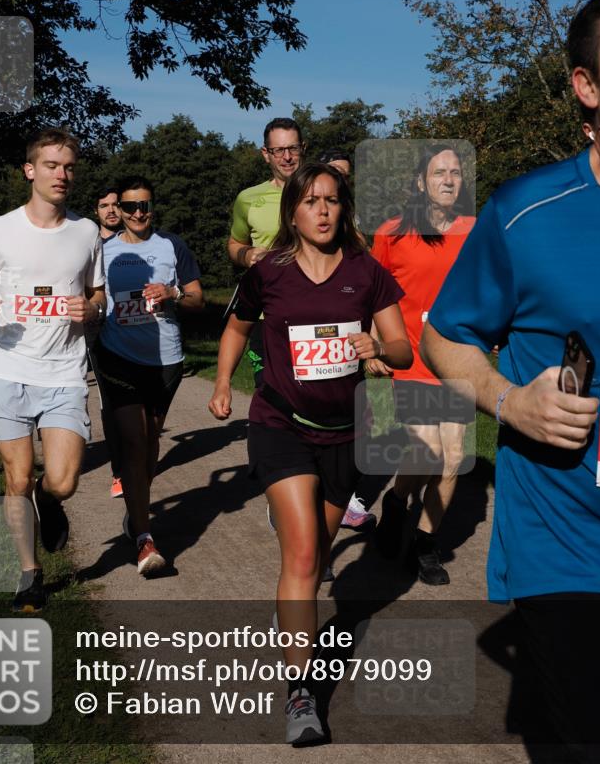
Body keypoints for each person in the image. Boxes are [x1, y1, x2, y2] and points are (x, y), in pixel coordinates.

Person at [421, 0, 600, 761]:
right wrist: (508, 401)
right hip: (577, 550)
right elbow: (445, 337)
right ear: (585, 85)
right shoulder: (527, 214)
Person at [209, 162, 411, 745]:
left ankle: (294, 601)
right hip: (280, 423)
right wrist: (223, 383)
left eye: (332, 201)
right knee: (300, 556)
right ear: (291, 211)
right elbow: (238, 328)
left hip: (344, 433)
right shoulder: (268, 271)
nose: (322, 210)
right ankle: (301, 695)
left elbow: (400, 349)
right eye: (311, 201)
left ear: (343, 209)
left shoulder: (364, 272)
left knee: (319, 557)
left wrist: (379, 344)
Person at [0, 127, 106, 613]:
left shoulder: (86, 232)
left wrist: (93, 308)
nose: (62, 175)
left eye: (68, 167)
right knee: (15, 477)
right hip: (7, 369)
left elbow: (98, 295)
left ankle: (50, 498)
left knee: (62, 480)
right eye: (51, 165)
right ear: (30, 170)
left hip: (63, 372)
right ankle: (29, 572)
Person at [371, 145, 476, 584]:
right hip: (411, 357)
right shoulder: (391, 233)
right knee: (426, 451)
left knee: (451, 456)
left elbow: (485, 287)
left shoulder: (475, 230)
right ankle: (397, 502)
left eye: (455, 173)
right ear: (421, 182)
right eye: (439, 173)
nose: (449, 180)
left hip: (455, 360)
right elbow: (372, 294)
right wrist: (376, 344)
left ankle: (424, 543)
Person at [93, 177, 203, 576]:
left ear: (152, 207)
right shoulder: (102, 251)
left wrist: (172, 293)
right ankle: (144, 539)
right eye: (129, 206)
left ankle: (136, 507)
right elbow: (91, 298)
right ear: (117, 211)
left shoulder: (172, 246)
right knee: (136, 443)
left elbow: (197, 297)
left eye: (144, 205)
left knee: (151, 442)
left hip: (165, 360)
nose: (138, 213)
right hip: (118, 358)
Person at [318, 150, 381, 532]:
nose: (341, 179)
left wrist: (375, 340)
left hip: (354, 331)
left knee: (366, 420)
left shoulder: (356, 221)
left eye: (345, 175)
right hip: (317, 333)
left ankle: (346, 500)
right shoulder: (314, 221)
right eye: (334, 173)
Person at [228, 117, 305, 386]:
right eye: (278, 150)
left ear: (302, 149)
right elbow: (234, 245)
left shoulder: (322, 191)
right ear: (266, 154)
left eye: (293, 149)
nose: (287, 157)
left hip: (315, 310)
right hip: (266, 313)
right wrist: (246, 255)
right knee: (270, 389)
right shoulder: (247, 198)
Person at [90, 185, 124, 497]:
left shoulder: (135, 241)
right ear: (97, 211)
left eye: (116, 204)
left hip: (134, 331)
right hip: (98, 331)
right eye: (104, 205)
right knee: (109, 402)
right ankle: (119, 472)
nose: (111, 210)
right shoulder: (86, 242)